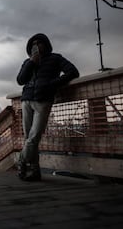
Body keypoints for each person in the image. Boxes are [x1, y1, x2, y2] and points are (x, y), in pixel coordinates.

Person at [16, 33, 79, 181]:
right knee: (28, 138)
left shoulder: (56, 58)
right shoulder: (27, 62)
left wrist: (52, 84)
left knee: (33, 137)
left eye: (39, 43)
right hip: (26, 101)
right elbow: (20, 80)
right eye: (33, 44)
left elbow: (73, 72)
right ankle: (34, 171)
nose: (36, 46)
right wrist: (32, 62)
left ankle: (21, 161)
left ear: (46, 44)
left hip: (43, 101)